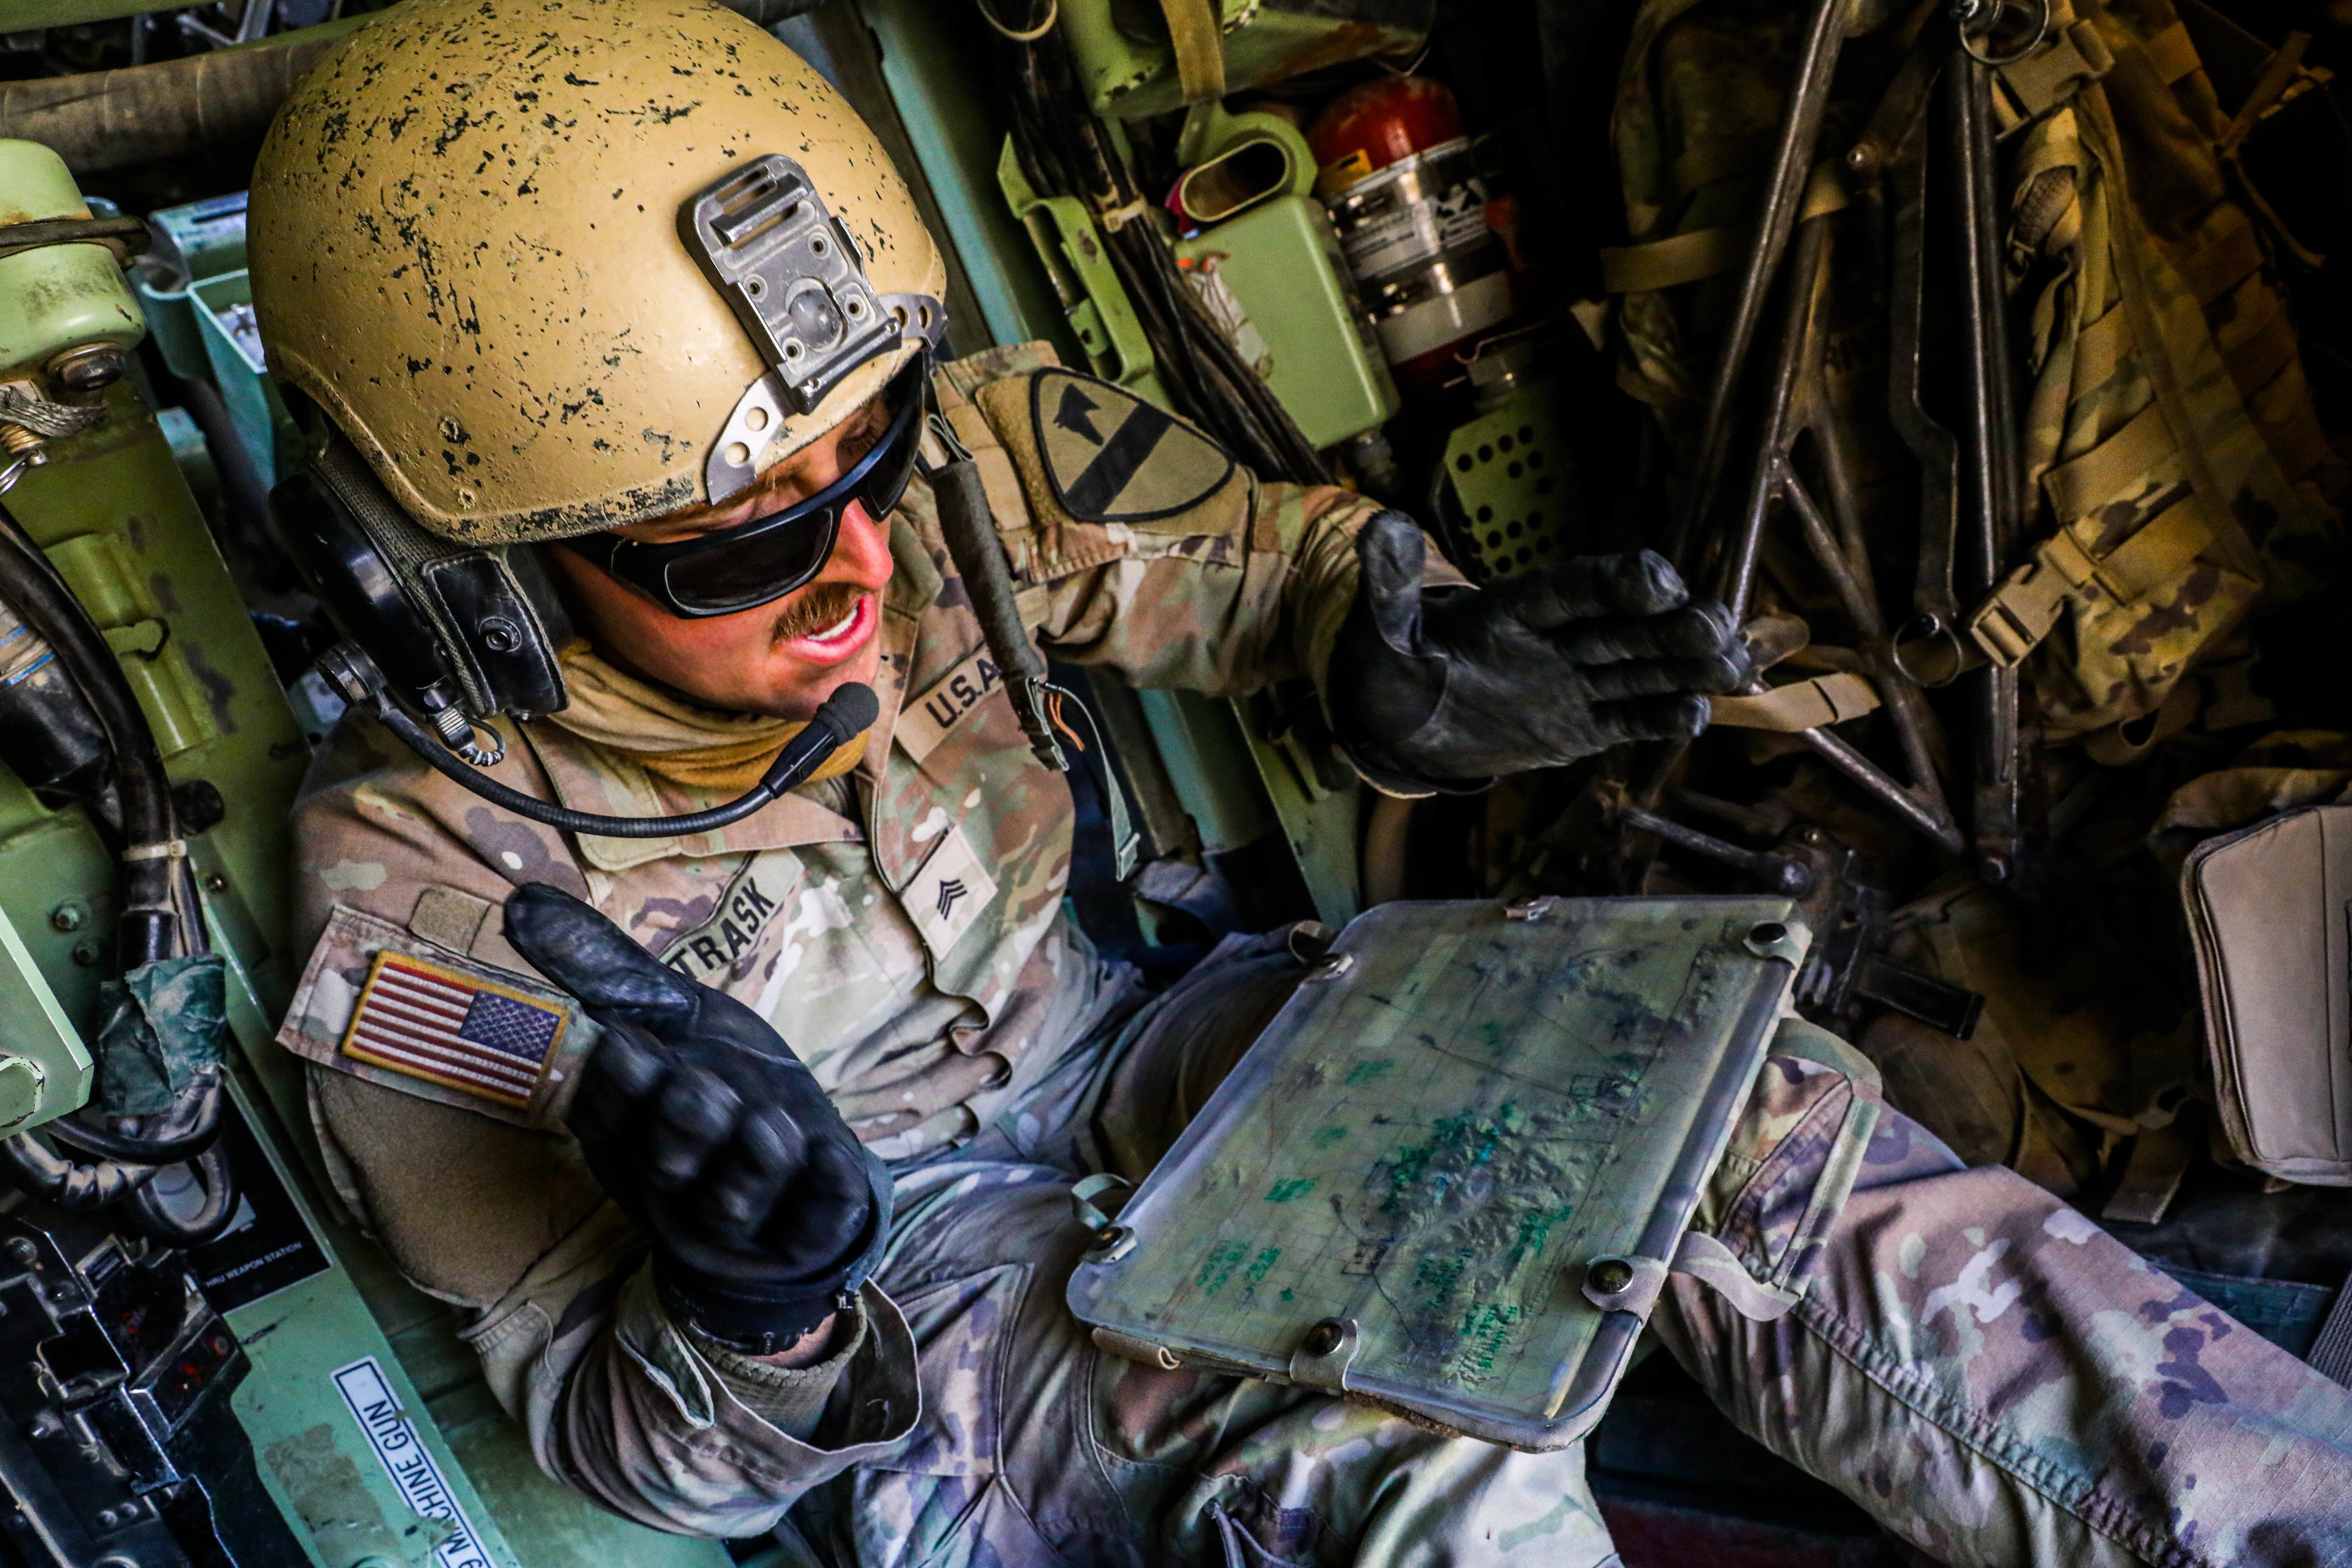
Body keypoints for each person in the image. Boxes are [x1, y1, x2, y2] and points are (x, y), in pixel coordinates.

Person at [251, 2, 2352, 1563]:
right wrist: (762, 1304)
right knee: (1391, 1450)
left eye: (865, 465)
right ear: (481, 590)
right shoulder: (427, 890)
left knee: (1720, 1101)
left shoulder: (960, 462)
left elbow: (1272, 576)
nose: (865, 563)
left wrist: (1403, 660)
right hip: (924, 1292)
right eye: (741, 545)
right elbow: (641, 1457)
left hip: (1173, 1055)